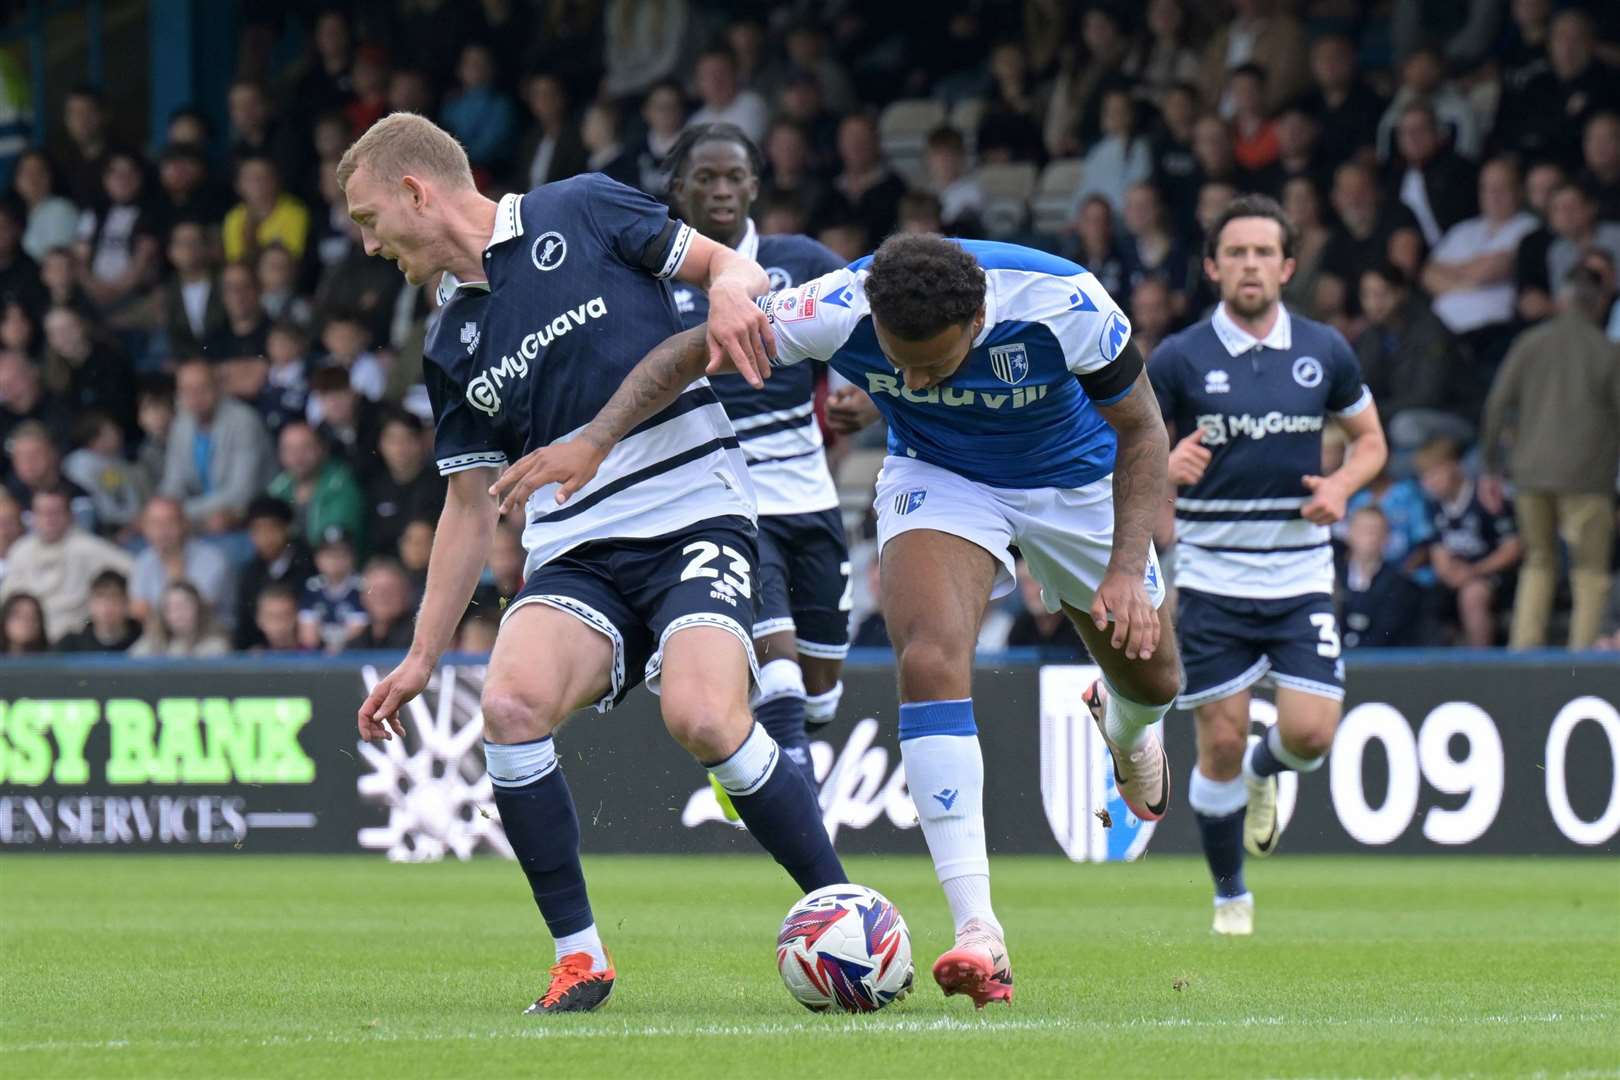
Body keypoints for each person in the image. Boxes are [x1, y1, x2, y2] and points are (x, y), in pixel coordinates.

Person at [494, 232, 1180, 1009]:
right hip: (942, 473)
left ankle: (1127, 728)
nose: (914, 377)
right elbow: (693, 349)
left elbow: (1144, 429)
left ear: (982, 315)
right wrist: (594, 439)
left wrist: (1126, 568)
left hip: (1079, 482)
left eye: (936, 364)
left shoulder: (1065, 301)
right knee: (927, 657)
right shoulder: (837, 304)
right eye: (900, 361)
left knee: (1154, 678)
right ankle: (979, 932)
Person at [340, 112, 848, 1014]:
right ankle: (582, 961)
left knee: (701, 715)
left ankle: (842, 907)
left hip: (695, 510)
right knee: (508, 705)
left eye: (370, 219)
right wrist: (421, 656)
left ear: (417, 192)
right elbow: (467, 507)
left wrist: (734, 287)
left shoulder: (578, 208)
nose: (368, 243)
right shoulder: (450, 338)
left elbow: (729, 265)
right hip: (577, 550)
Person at [1150, 194, 1388, 936]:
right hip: (1214, 577)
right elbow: (1123, 450)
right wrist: (1165, 460)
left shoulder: (1327, 351)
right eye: (1236, 253)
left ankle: (1266, 773)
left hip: (1299, 575)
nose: (1250, 265)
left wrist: (1343, 486)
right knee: (1218, 740)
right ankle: (1230, 895)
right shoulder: (1179, 356)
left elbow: (1372, 440)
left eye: (1264, 253)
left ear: (1287, 267)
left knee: (1312, 738)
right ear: (1214, 266)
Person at [663, 123, 851, 787]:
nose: (720, 189)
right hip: (727, 498)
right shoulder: (654, 280)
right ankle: (804, 816)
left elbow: (870, 335)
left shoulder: (801, 261)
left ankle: (749, 746)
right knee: (780, 664)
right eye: (705, 177)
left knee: (820, 691)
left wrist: (864, 398)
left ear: (754, 186)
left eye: (733, 177)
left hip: (812, 497)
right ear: (677, 188)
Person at [1481, 268, 1620, 649]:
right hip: (1588, 478)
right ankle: (1582, 664)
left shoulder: (1530, 343)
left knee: (1538, 564)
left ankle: (1521, 654)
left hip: (1530, 474)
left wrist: (1490, 467)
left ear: (1561, 300)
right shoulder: (1608, 351)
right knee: (1590, 573)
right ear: (1599, 304)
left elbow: (1496, 405)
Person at [1414, 439, 1522, 647]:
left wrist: (1474, 570)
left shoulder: (1486, 497)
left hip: (1496, 574)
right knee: (1421, 593)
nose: (1430, 483)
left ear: (1455, 467)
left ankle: (1479, 664)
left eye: (1435, 474)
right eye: (1425, 477)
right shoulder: (1434, 505)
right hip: (1459, 574)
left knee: (1472, 595)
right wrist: (1448, 572)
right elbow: (1439, 551)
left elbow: (1512, 548)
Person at [158, 357, 275, 533]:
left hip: (248, 520)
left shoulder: (244, 421)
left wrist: (181, 512)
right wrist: (164, 510)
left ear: (218, 387)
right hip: (198, 520)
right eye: (186, 390)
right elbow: (172, 483)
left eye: (201, 388)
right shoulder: (181, 424)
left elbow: (241, 493)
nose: (194, 397)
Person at [0, 487, 133, 640]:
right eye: (42, 513)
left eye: (55, 513)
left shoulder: (89, 547)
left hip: (75, 641)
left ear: (70, 515)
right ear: (33, 517)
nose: (48, 519)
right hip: (30, 642)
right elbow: (6, 601)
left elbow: (133, 570)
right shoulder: (20, 551)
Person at [129, 495, 234, 625]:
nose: (162, 530)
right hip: (160, 636)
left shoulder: (213, 559)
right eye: (155, 523)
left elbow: (193, 614)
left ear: (185, 524)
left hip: (209, 636)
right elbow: (138, 611)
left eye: (170, 522)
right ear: (144, 527)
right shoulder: (144, 560)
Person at [233, 495, 315, 651]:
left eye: (271, 528)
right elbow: (244, 624)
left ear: (286, 528)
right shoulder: (249, 573)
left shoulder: (307, 564)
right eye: (257, 530)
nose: (265, 537)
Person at [1338, 506, 1421, 649]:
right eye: (1363, 530)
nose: (1370, 536)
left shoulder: (1399, 584)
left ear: (1386, 537)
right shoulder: (1332, 577)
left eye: (1376, 531)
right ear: (1349, 533)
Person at [129, 580, 231, 658]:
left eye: (184, 606)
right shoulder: (152, 642)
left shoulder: (216, 645)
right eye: (171, 608)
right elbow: (131, 662)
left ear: (199, 608)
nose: (178, 613)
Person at [56, 568, 141, 652]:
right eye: (100, 596)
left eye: (114, 597)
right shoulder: (71, 645)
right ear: (90, 603)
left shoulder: (143, 642)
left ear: (126, 603)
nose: (107, 605)